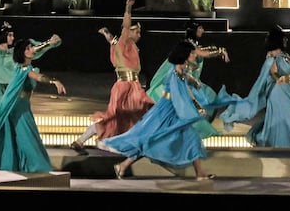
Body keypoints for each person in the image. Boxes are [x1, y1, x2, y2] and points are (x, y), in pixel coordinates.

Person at [99, 39, 238, 180]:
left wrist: (193, 82)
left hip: (173, 110)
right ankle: (123, 165)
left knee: (190, 138)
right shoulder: (175, 72)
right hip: (166, 112)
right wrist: (195, 107)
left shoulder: (180, 69)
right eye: (192, 53)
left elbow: (185, 82)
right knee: (153, 139)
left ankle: (199, 173)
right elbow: (180, 93)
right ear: (185, 54)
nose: (195, 56)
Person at [0, 37, 67, 172]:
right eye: (28, 48)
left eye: (31, 47)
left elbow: (36, 53)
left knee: (18, 138)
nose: (32, 49)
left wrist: (48, 43)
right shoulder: (23, 68)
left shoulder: (22, 66)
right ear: (22, 53)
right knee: (28, 138)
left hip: (22, 107)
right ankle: (38, 167)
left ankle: (22, 166)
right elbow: (38, 77)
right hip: (18, 109)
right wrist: (54, 81)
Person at [70, 0, 155, 155]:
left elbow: (112, 41)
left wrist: (107, 35)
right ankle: (103, 142)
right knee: (121, 116)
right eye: (136, 31)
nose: (139, 35)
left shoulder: (125, 45)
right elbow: (125, 27)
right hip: (125, 87)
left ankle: (82, 140)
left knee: (125, 117)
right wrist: (128, 9)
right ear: (129, 32)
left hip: (132, 87)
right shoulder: (125, 41)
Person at [218, 24, 290, 148]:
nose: (286, 40)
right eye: (284, 38)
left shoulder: (284, 55)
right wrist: (278, 77)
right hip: (277, 93)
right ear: (278, 40)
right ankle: (282, 144)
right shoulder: (271, 56)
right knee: (284, 117)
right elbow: (271, 73)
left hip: (287, 92)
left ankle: (283, 142)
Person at [145, 21, 230, 138]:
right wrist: (220, 51)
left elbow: (200, 51)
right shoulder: (182, 59)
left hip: (188, 84)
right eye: (200, 28)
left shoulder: (189, 50)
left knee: (208, 102)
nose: (203, 31)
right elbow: (201, 53)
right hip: (182, 88)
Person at [0, 21, 62, 132]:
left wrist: (49, 42)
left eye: (12, 35)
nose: (13, 37)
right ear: (3, 36)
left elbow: (32, 50)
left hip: (13, 90)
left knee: (13, 124)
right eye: (10, 35)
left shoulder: (13, 53)